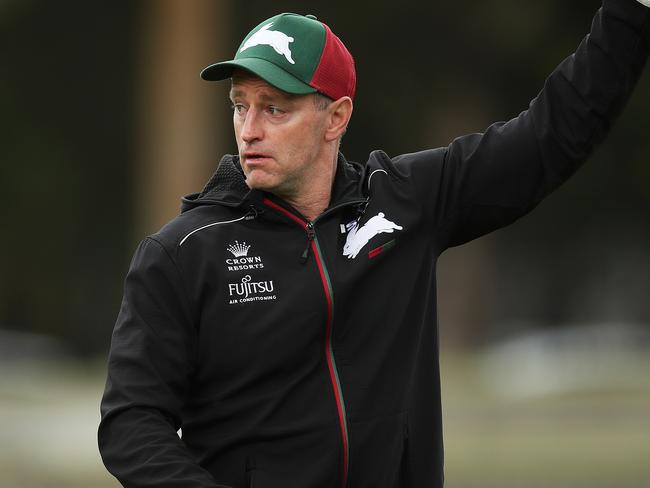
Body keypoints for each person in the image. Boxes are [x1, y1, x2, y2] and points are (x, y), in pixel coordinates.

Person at [98, 3, 650, 487]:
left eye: (275, 108)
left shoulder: (407, 202)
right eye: (240, 105)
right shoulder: (184, 252)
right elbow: (130, 423)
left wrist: (631, 12)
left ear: (336, 116)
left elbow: (549, 137)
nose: (249, 129)